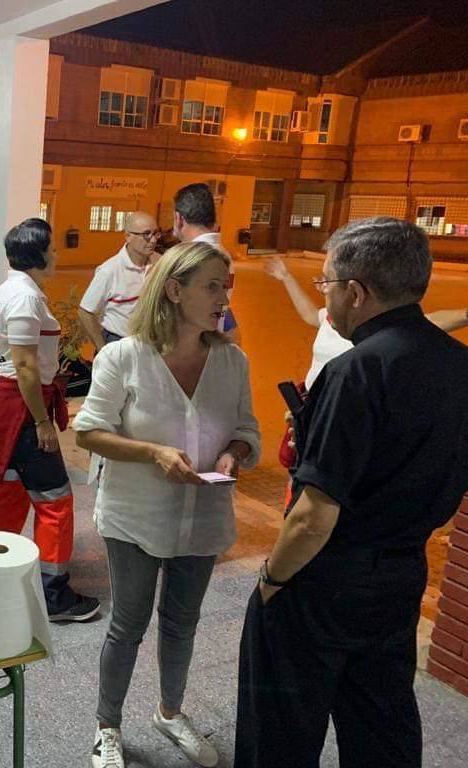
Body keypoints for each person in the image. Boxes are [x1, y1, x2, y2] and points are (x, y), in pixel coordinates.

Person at [234, 217, 468, 768]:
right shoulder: (458, 364)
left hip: (324, 576)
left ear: (356, 293)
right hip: (402, 572)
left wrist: (272, 580)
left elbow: (314, 514)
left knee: (281, 727)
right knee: (379, 719)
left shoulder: (355, 371)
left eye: (327, 284)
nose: (326, 295)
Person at [73, 241, 260, 768]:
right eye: (212, 286)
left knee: (182, 622)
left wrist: (233, 453)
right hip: (135, 515)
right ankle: (107, 726)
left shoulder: (230, 360)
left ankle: (169, 712)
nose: (224, 296)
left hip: (202, 515)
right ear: (174, 291)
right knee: (127, 624)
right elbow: (89, 432)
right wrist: (152, 452)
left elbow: (247, 429)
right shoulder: (123, 356)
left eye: (226, 285)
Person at [0, 217, 99, 620]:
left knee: (9, 491)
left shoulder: (9, 289)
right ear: (38, 254)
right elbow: (25, 365)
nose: (57, 254)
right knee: (56, 500)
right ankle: (54, 594)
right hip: (20, 411)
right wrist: (43, 423)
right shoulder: (24, 297)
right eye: (53, 248)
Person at [265, 255, 468, 389]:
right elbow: (310, 315)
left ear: (355, 290)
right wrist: (286, 277)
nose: (322, 287)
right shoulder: (333, 317)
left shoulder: (382, 325)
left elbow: (428, 322)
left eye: (327, 280)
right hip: (314, 401)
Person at [78, 210, 160, 350]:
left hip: (149, 343)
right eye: (146, 234)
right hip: (118, 343)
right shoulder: (110, 270)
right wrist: (102, 348)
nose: (153, 240)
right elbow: (85, 312)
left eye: (156, 233)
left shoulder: (159, 264)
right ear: (128, 236)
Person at [173, 183, 240, 343]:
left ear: (179, 218)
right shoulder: (223, 253)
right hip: (217, 331)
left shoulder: (188, 258)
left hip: (194, 343)